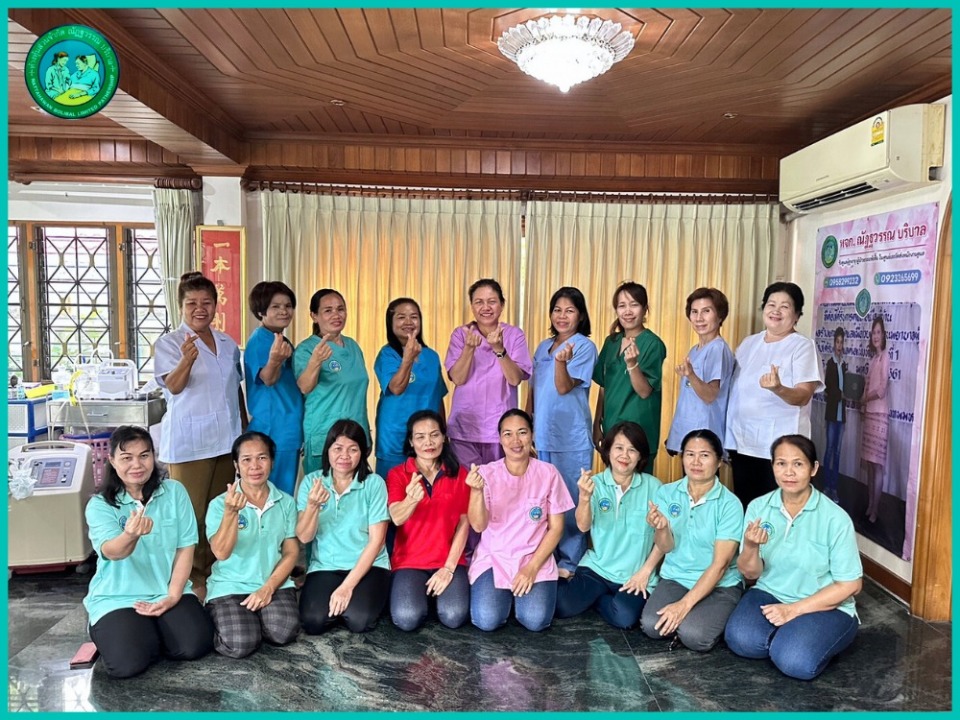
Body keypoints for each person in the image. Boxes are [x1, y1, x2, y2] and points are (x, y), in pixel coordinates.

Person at [724, 435, 862, 680]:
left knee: (794, 661)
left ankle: (802, 638)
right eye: (781, 463)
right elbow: (750, 573)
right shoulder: (758, 507)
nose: (789, 472)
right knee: (740, 640)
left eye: (798, 464)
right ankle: (789, 637)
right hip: (770, 592)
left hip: (824, 604)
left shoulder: (835, 518)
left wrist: (793, 611)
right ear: (773, 466)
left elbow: (851, 585)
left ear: (813, 468)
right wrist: (751, 546)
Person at [83, 426, 213, 679]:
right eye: (126, 458)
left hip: (166, 589)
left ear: (154, 456)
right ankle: (118, 631)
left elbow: (186, 547)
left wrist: (173, 595)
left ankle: (148, 632)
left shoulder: (174, 491)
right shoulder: (100, 504)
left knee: (195, 645)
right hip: (118, 597)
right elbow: (112, 552)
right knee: (127, 665)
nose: (137, 465)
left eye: (144, 455)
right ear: (112, 461)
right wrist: (130, 535)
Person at [154, 271, 244, 600]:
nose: (200, 309)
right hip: (190, 444)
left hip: (227, 439)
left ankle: (216, 570)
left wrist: (244, 431)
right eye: (192, 303)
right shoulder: (169, 343)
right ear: (181, 307)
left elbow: (234, 389)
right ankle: (193, 577)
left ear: (216, 305)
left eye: (206, 302)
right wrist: (186, 360)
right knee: (192, 513)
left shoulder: (228, 343)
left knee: (220, 509)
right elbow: (174, 386)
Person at [466, 409, 574, 632]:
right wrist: (476, 492)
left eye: (522, 432)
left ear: (532, 435)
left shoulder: (548, 473)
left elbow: (556, 528)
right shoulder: (486, 473)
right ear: (499, 439)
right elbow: (478, 525)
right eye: (508, 434)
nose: (515, 441)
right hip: (495, 558)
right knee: (487, 620)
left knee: (535, 620)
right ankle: (508, 599)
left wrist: (531, 569)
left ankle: (521, 597)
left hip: (534, 557)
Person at [640, 429, 744, 652]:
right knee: (651, 626)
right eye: (690, 454)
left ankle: (702, 619)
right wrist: (662, 528)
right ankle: (690, 620)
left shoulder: (730, 504)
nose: (696, 462)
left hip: (720, 584)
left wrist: (683, 605)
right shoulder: (666, 493)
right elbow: (666, 546)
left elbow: (720, 565)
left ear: (719, 461)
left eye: (704, 455)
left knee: (694, 636)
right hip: (677, 578)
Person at [724, 282, 824, 510]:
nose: (776, 311)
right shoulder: (749, 343)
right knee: (748, 508)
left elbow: (803, 396)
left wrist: (778, 388)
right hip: (743, 443)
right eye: (771, 304)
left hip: (781, 449)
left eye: (785, 307)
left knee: (777, 510)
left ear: (797, 315)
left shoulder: (803, 346)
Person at [554, 421, 664, 629]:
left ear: (640, 456)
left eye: (632, 450)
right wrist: (584, 498)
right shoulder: (595, 483)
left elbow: (664, 538)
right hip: (598, 568)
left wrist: (646, 571)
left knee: (625, 618)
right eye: (619, 448)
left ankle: (596, 600)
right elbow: (583, 526)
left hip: (635, 575)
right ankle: (586, 589)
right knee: (561, 606)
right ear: (608, 450)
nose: (625, 455)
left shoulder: (654, 487)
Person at [205, 432, 300, 658]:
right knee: (239, 644)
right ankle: (223, 617)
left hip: (272, 581)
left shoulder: (285, 502)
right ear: (236, 465)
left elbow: (291, 551)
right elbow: (221, 552)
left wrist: (268, 588)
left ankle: (255, 620)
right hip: (230, 584)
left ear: (272, 461)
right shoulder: (220, 504)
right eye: (246, 459)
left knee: (283, 633)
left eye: (262, 458)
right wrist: (231, 513)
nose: (255, 466)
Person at [527, 286, 598, 577]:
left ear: (580, 316)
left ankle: (570, 561)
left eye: (570, 310)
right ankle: (546, 555)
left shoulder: (584, 346)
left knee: (570, 499)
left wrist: (560, 361)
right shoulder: (543, 346)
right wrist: (528, 424)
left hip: (571, 438)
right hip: (543, 434)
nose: (562, 316)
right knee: (543, 499)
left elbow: (563, 386)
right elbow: (533, 389)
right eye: (557, 310)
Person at [296, 420, 391, 634]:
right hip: (326, 566)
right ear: (328, 450)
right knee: (312, 622)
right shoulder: (312, 482)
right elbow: (304, 537)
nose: (344, 456)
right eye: (337, 448)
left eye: (353, 449)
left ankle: (354, 602)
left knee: (359, 620)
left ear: (363, 452)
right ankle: (340, 606)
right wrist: (312, 506)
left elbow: (376, 542)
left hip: (369, 565)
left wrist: (347, 587)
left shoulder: (374, 483)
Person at [386, 410, 470, 631]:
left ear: (444, 437)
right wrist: (411, 500)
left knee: (454, 616)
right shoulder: (398, 474)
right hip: (410, 561)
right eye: (420, 437)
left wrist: (448, 568)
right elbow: (396, 517)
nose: (428, 442)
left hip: (449, 560)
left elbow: (464, 523)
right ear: (411, 442)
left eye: (434, 435)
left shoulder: (459, 474)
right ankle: (423, 598)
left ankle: (435, 598)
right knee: (406, 618)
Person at [444, 278, 532, 468]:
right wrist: (469, 348)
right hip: (465, 426)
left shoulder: (514, 335)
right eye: (479, 302)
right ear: (472, 306)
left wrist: (499, 349)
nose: (485, 307)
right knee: (469, 483)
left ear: (502, 305)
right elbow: (458, 378)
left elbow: (515, 379)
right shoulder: (461, 334)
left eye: (492, 301)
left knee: (499, 483)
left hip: (501, 428)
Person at [593, 281, 666, 474]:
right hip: (611, 428)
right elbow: (604, 387)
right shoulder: (611, 342)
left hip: (640, 429)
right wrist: (597, 423)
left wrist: (632, 364)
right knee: (613, 485)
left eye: (634, 305)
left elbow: (644, 391)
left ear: (645, 309)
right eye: (622, 306)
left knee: (639, 485)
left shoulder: (653, 344)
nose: (627, 311)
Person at [294, 289, 370, 475]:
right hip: (325, 435)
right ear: (314, 316)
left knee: (355, 489)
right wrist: (316, 361)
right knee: (322, 489)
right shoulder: (307, 349)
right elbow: (304, 386)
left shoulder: (353, 346)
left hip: (356, 435)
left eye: (340, 309)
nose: (336, 315)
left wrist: (366, 434)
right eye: (328, 310)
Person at [374, 298, 448, 474]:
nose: (408, 322)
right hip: (395, 436)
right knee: (393, 486)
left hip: (427, 437)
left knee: (427, 486)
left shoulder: (431, 356)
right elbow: (396, 388)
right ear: (390, 322)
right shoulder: (387, 354)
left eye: (414, 317)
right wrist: (407, 358)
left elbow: (438, 397)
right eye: (401, 317)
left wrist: (443, 432)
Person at [244, 281, 303, 495]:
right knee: (274, 493)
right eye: (275, 306)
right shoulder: (260, 340)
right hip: (275, 428)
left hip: (287, 426)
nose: (284, 311)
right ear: (261, 311)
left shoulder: (280, 339)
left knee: (283, 492)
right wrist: (275, 360)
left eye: (288, 306)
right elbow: (267, 378)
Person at [665, 288, 735, 456]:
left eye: (706, 311)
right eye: (694, 312)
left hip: (705, 436)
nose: (699, 318)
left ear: (720, 316)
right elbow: (688, 400)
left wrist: (691, 375)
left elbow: (710, 395)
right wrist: (676, 435)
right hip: (688, 434)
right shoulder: (694, 350)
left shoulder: (717, 349)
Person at [860, 315, 889, 523]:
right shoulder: (872, 360)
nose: (875, 336)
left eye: (878, 332)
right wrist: (863, 405)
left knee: (877, 465)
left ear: (883, 335)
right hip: (869, 415)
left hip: (880, 415)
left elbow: (881, 390)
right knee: (869, 465)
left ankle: (876, 509)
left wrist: (865, 399)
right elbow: (867, 387)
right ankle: (870, 504)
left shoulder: (886, 357)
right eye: (873, 333)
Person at [822, 326, 848, 503]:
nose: (839, 345)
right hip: (832, 414)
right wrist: (840, 395)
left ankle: (834, 488)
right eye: (837, 342)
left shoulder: (844, 364)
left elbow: (847, 387)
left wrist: (849, 393)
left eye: (841, 342)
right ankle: (825, 486)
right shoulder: (830, 364)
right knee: (829, 450)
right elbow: (828, 389)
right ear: (834, 343)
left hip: (841, 416)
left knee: (838, 453)